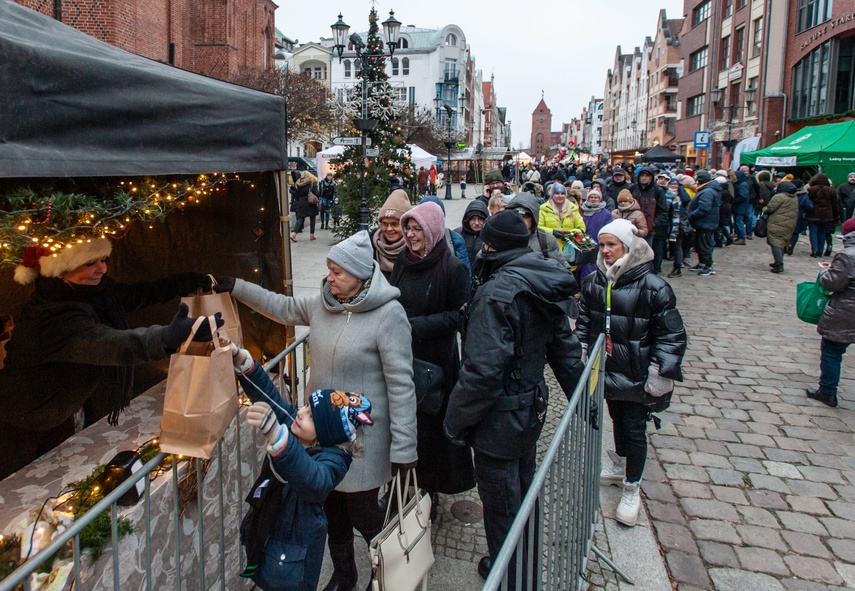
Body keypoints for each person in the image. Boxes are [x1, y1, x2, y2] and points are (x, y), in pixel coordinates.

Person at [214, 231, 418, 591]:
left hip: (362, 444)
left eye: (338, 272)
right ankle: (344, 574)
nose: (329, 277)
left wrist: (404, 450)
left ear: (360, 276)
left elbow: (401, 385)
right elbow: (279, 305)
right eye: (328, 269)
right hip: (319, 438)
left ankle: (386, 571)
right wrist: (235, 286)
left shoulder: (389, 315)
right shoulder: (322, 305)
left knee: (365, 514)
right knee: (331, 510)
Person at [444, 210, 584, 586]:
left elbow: (483, 373)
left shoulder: (499, 291)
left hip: (499, 420)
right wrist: (583, 399)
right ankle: (520, 562)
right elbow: (566, 348)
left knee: (503, 504)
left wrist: (455, 420)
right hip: (528, 410)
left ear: (492, 245)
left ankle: (513, 576)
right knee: (521, 494)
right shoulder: (537, 277)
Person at [0, 239, 217, 479]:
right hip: (23, 421)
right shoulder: (53, 315)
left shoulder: (95, 293)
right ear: (60, 269)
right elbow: (107, 344)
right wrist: (165, 338)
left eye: (103, 260)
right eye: (89, 263)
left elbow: (135, 295)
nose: (102, 269)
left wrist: (181, 283)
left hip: (60, 410)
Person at [231, 344, 373, 591]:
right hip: (270, 533)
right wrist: (244, 364)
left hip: (293, 559)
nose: (301, 413)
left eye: (310, 415)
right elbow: (270, 398)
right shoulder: (301, 429)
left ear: (324, 436)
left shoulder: (333, 463)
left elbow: (313, 480)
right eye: (306, 406)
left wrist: (278, 437)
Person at [578, 219, 686, 527]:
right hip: (608, 370)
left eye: (612, 245)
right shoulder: (596, 282)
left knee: (635, 429)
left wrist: (659, 371)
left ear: (628, 246)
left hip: (638, 372)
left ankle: (632, 487)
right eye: (602, 245)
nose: (606, 251)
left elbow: (671, 335)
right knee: (617, 419)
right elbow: (585, 321)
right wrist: (582, 350)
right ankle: (621, 465)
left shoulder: (654, 287)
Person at [390, 202, 475, 518]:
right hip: (402, 355)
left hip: (435, 362)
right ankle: (401, 483)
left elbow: (460, 315)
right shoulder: (403, 260)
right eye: (408, 228)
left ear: (432, 231)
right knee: (403, 421)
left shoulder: (452, 269)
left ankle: (429, 489)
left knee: (429, 428)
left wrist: (418, 326)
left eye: (416, 229)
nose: (410, 235)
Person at [807, 217, 855, 408]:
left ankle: (827, 392)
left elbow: (832, 283)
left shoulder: (848, 255)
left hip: (847, 311)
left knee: (832, 351)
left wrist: (824, 272)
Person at [506, 192, 565, 265]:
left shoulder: (545, 240)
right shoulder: (499, 237)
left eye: (525, 216)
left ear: (534, 218)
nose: (520, 220)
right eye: (516, 215)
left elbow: (563, 270)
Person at [630, 167, 669, 274]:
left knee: (647, 253)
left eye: (647, 176)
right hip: (633, 227)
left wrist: (653, 223)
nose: (644, 178)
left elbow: (663, 210)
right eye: (642, 175)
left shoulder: (657, 191)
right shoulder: (633, 188)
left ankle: (648, 273)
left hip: (649, 228)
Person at [371, 189, 412, 280]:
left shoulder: (414, 248)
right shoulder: (370, 246)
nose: (389, 229)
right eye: (385, 224)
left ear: (405, 225)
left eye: (394, 224)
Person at [687, 170, 722, 276]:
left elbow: (704, 208)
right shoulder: (706, 190)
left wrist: (691, 215)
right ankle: (702, 263)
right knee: (700, 244)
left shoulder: (707, 191)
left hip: (705, 223)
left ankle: (708, 265)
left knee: (705, 245)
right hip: (704, 223)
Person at [578, 188, 614, 281]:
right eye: (591, 197)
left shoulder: (606, 213)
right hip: (582, 244)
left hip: (598, 245)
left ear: (600, 199)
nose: (593, 199)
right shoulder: (581, 211)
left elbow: (608, 229)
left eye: (596, 197)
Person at [538, 182, 586, 250]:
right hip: (550, 248)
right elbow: (538, 228)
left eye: (562, 193)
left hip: (569, 249)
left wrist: (569, 233)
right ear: (552, 195)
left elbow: (581, 228)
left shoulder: (573, 208)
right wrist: (552, 232)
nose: (560, 196)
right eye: (557, 193)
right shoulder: (543, 209)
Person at [763, 181, 798, 274]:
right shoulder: (794, 197)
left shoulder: (779, 196)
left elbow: (770, 208)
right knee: (781, 242)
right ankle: (777, 261)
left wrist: (764, 209)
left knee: (776, 243)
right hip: (789, 223)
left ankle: (779, 264)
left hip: (777, 223)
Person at [805, 173, 840, 257]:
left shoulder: (811, 189)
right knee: (822, 232)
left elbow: (807, 202)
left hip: (813, 213)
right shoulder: (831, 190)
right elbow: (835, 205)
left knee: (813, 232)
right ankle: (820, 250)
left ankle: (814, 250)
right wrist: (836, 217)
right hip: (827, 215)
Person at [456, 200, 490, 264]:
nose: (476, 223)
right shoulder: (457, 235)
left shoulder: (490, 237)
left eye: (480, 219)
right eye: (473, 219)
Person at [291, 171, 319, 242]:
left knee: (300, 218)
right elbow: (316, 193)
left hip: (301, 202)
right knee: (312, 218)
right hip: (310, 203)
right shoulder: (312, 183)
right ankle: (312, 235)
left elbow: (297, 195)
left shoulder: (298, 183)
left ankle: (294, 233)